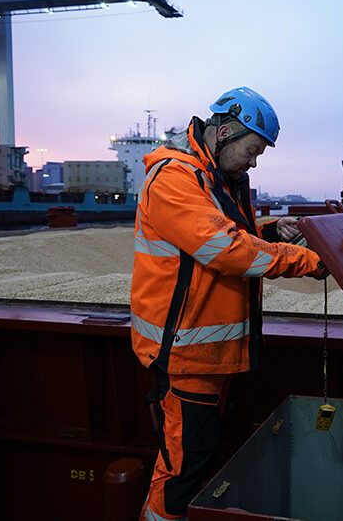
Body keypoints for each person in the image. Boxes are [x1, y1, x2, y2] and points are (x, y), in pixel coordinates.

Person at [130, 86, 328, 520]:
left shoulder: (218, 177)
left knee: (198, 461)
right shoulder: (174, 178)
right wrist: (307, 261)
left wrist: (274, 231)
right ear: (223, 132)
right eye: (252, 150)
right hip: (185, 356)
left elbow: (234, 232)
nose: (254, 162)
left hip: (210, 355)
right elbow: (225, 249)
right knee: (183, 471)